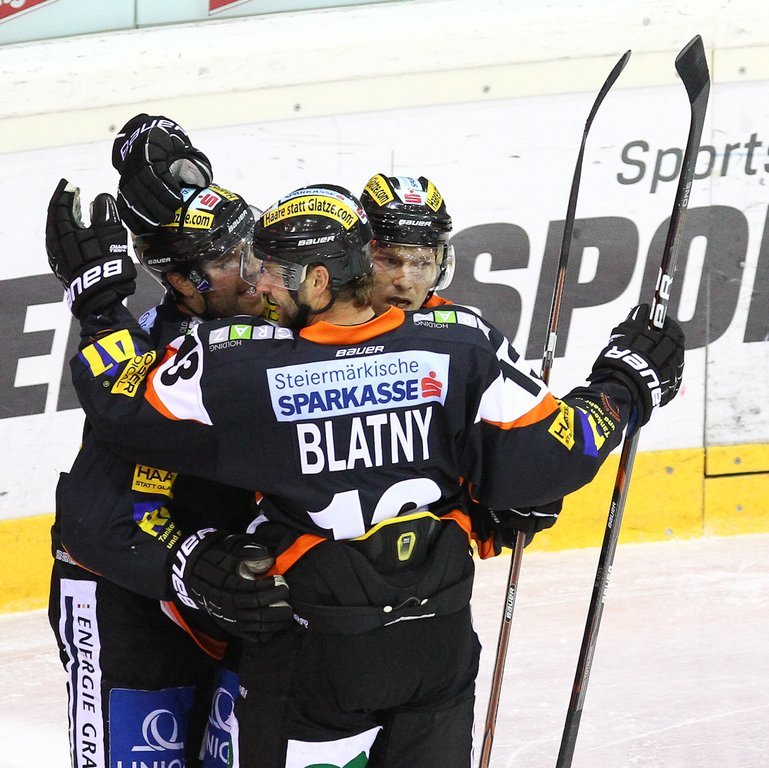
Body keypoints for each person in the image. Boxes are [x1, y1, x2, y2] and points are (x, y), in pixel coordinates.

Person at [46, 175, 684, 767]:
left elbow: (118, 400)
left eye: (273, 271)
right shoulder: (461, 341)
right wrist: (625, 385)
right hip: (436, 646)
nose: (261, 286)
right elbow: (559, 453)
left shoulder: (244, 364)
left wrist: (99, 300)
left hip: (314, 650)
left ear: (318, 280)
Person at [48, 116, 290, 768]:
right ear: (181, 280)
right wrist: (187, 563)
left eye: (251, 249)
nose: (252, 272)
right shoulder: (155, 354)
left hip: (228, 601)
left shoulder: (284, 321)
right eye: (226, 261)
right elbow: (96, 517)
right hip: (128, 605)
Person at [360, 173, 455, 313]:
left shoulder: (456, 325)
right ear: (357, 262)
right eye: (389, 261)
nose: (404, 283)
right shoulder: (326, 321)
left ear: (441, 269)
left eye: (422, 264)